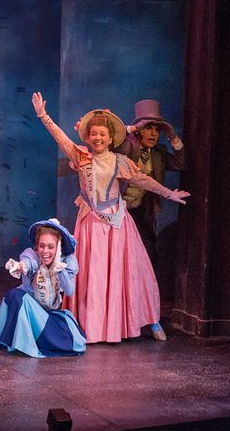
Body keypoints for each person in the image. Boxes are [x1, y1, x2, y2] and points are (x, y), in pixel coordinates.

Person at [31, 93, 189, 343]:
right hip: (91, 224)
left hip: (117, 224)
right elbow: (61, 139)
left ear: (110, 137)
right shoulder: (81, 156)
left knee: (129, 273)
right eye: (93, 134)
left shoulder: (120, 161)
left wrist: (169, 193)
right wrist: (43, 115)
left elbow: (143, 180)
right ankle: (91, 327)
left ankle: (147, 319)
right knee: (92, 274)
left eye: (102, 134)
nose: (98, 138)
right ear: (87, 137)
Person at [116, 99, 186, 295]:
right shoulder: (126, 146)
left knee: (149, 255)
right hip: (115, 211)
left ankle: (142, 300)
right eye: (148, 128)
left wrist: (172, 136)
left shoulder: (158, 153)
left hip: (139, 211)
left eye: (156, 129)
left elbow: (181, 164)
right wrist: (131, 128)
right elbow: (108, 144)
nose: (153, 133)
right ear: (139, 130)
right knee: (118, 258)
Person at [0, 219, 87, 358]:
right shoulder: (32, 256)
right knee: (15, 295)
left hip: (46, 315)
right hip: (26, 309)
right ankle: (22, 341)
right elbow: (27, 263)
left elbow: (70, 291)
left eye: (50, 247)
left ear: (58, 247)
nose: (45, 251)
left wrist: (60, 270)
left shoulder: (67, 261)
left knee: (69, 342)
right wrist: (19, 266)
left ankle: (36, 339)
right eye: (42, 246)